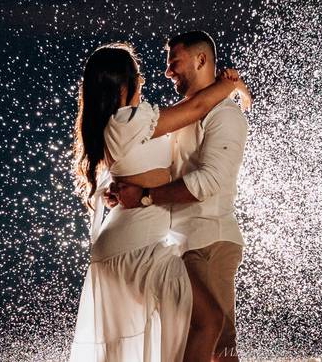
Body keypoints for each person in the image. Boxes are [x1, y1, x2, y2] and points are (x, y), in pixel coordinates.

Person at [69, 42, 250, 362]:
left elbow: (137, 165)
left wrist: (127, 189)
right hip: (140, 243)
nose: (148, 80)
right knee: (208, 322)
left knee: (179, 332)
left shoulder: (119, 123)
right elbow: (194, 110)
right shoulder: (129, 119)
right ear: (125, 83)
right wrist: (229, 84)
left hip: (138, 240)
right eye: (138, 75)